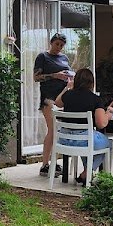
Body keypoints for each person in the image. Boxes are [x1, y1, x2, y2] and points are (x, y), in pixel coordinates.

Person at [55, 68, 112, 185]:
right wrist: (108, 115)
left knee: (90, 141)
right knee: (106, 144)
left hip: (64, 140)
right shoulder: (95, 99)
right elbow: (101, 123)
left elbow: (57, 102)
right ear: (92, 83)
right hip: (83, 141)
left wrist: (67, 88)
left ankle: (86, 173)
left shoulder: (68, 95)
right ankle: (88, 172)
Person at [33, 33, 73, 175]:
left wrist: (68, 80)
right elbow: (36, 77)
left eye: (62, 45)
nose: (59, 47)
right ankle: (45, 164)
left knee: (60, 130)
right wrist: (55, 75)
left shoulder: (64, 58)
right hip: (48, 98)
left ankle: (55, 162)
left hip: (62, 97)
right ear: (51, 43)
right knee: (53, 129)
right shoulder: (43, 57)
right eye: (57, 44)